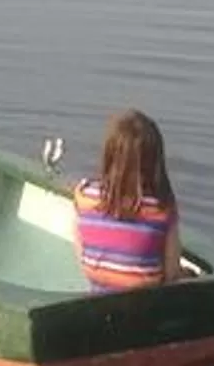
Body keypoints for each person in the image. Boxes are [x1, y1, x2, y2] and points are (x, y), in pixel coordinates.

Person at [74, 110, 181, 288]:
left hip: (97, 293)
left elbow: (80, 245)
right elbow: (171, 274)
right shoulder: (162, 208)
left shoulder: (84, 195)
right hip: (146, 303)